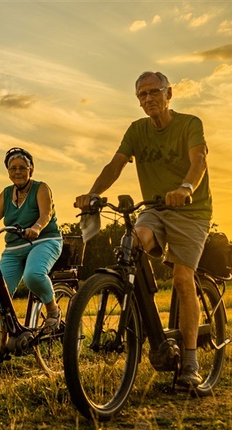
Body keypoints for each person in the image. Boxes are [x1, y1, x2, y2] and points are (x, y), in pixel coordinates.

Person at [75, 71, 212, 390]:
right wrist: (93, 194)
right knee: (132, 246)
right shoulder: (136, 131)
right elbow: (115, 164)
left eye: (154, 92)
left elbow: (199, 158)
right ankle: (148, 326)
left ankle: (190, 362)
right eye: (141, 95)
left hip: (191, 210)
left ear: (169, 93)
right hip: (154, 209)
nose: (148, 99)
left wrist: (186, 187)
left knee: (181, 278)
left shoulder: (190, 124)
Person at [0, 147, 63, 329]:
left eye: (22, 167)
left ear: (31, 169)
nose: (18, 172)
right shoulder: (6, 194)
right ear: (8, 172)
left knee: (33, 275)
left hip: (43, 241)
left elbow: (46, 214)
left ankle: (53, 310)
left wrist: (36, 228)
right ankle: (4, 342)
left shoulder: (41, 188)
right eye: (13, 168)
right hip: (14, 249)